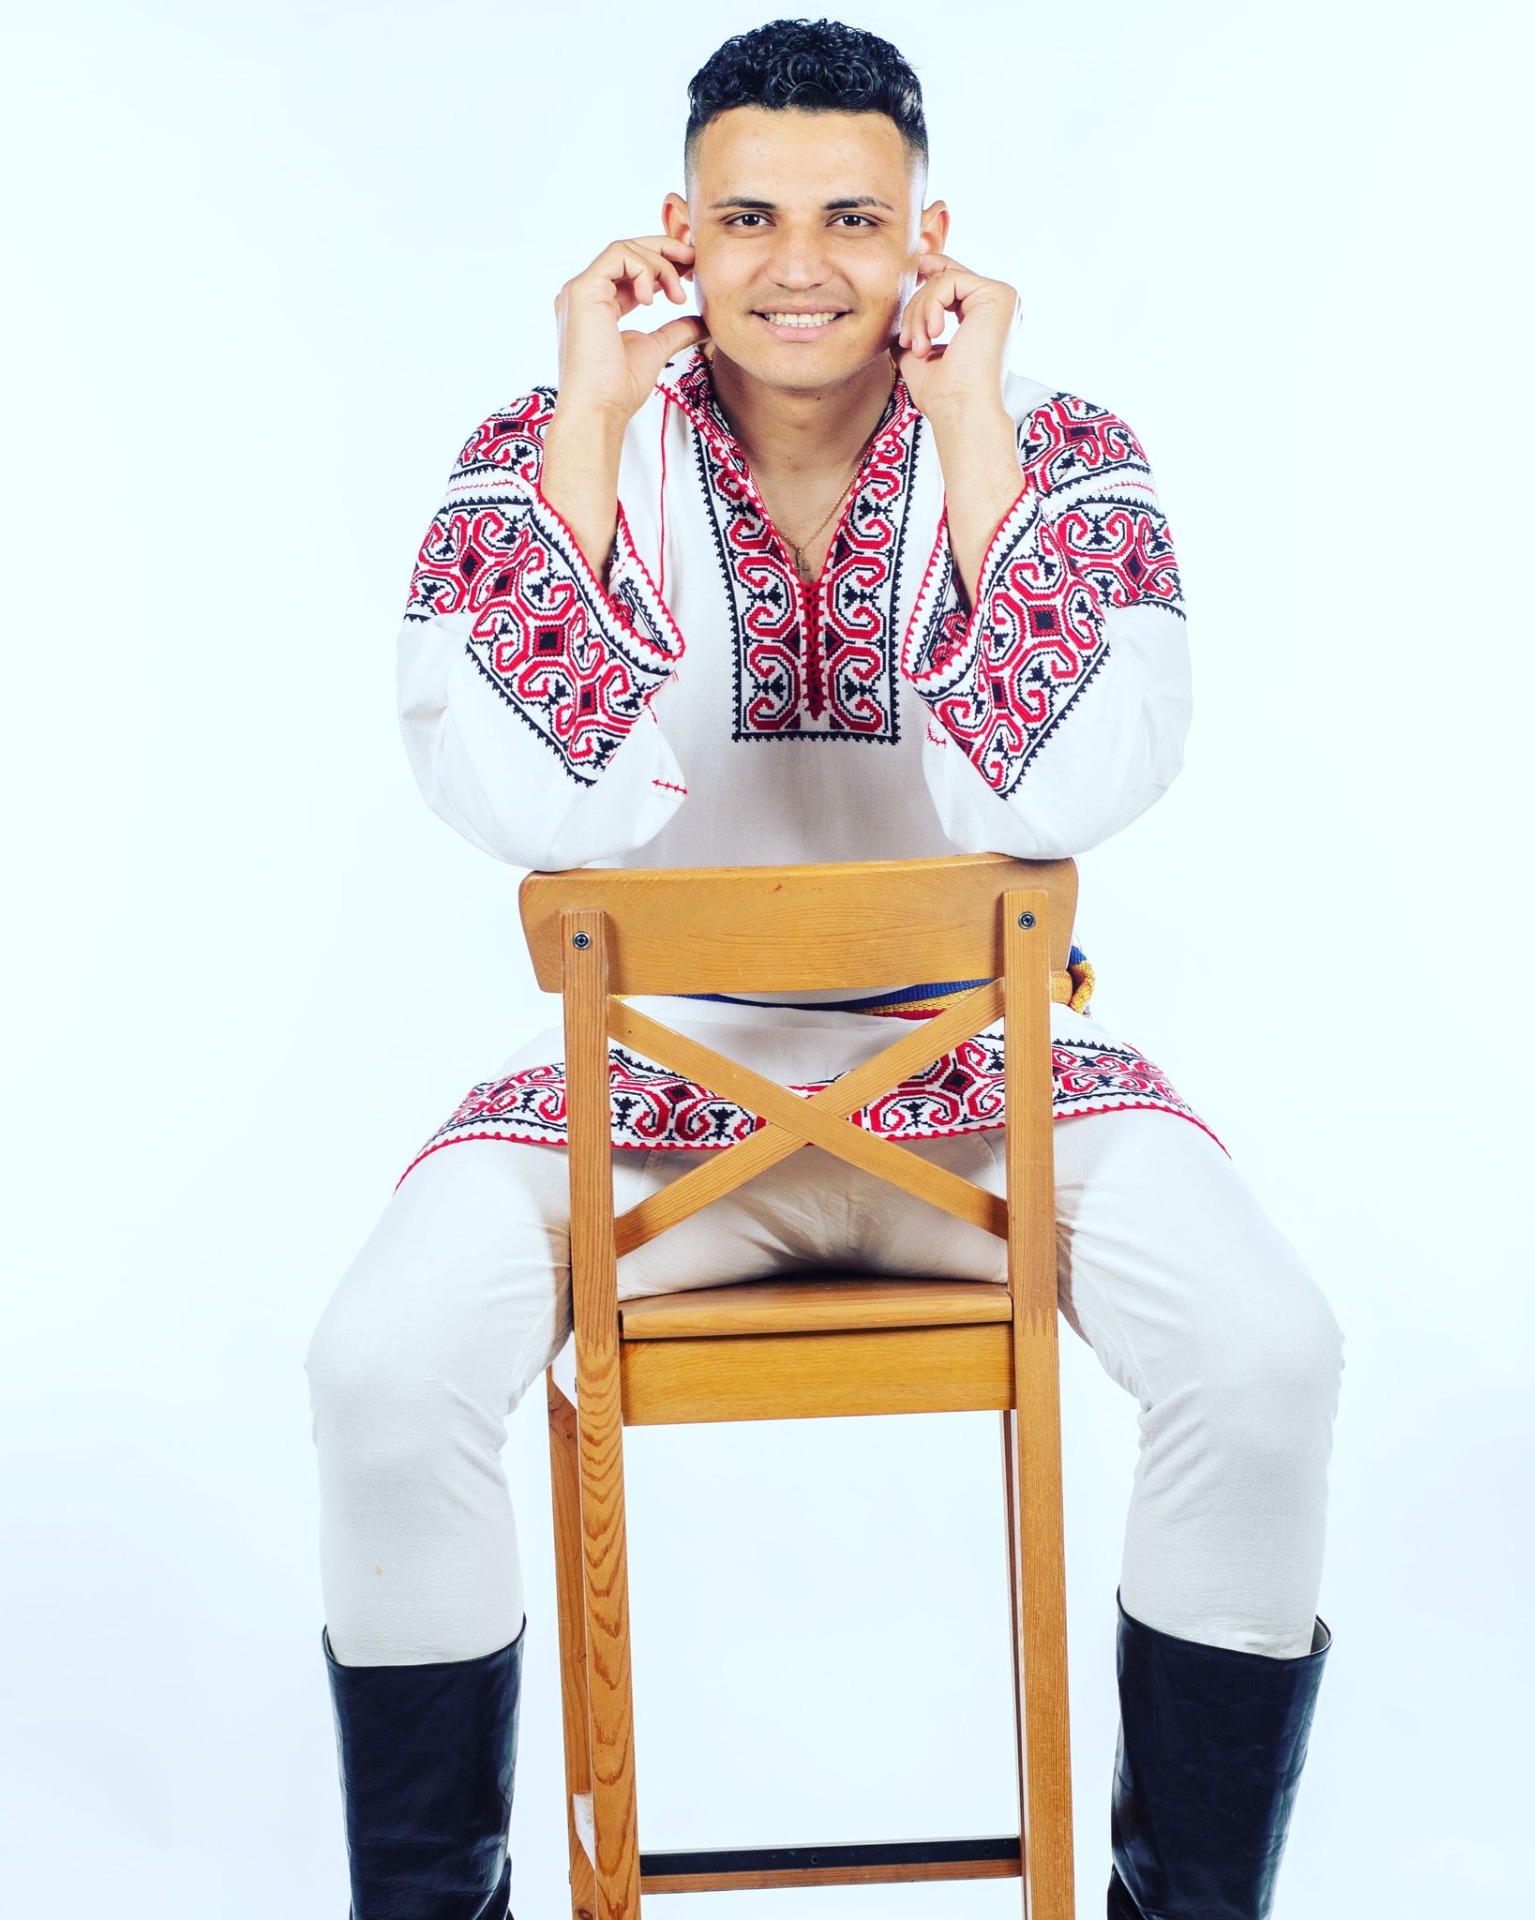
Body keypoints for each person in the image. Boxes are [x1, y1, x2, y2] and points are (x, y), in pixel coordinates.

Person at [304, 18, 1345, 1919]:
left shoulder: (1069, 451)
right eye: (750, 218)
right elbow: (536, 810)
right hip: (645, 1101)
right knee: (379, 1368)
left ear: (927, 234)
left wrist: (974, 435)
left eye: (854, 218)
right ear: (676, 233)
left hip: (990, 1094)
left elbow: (1064, 789)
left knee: (1269, 1354)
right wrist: (589, 427)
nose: (801, 266)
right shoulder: (536, 451)